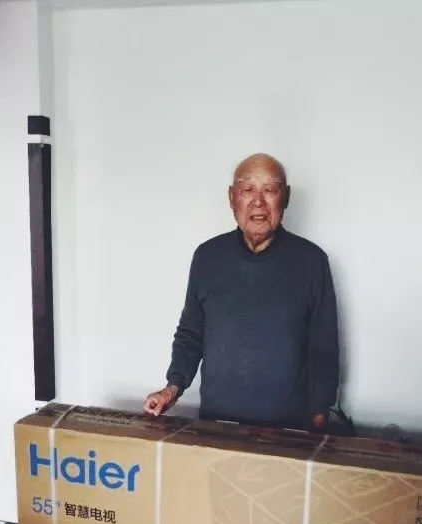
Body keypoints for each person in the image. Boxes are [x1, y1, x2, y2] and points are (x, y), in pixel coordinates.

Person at [144, 153, 339, 431]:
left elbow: (324, 348)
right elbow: (191, 333)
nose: (258, 201)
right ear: (231, 197)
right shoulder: (207, 257)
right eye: (247, 189)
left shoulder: (312, 261)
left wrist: (319, 419)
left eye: (269, 189)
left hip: (288, 429)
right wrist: (172, 388)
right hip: (217, 424)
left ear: (286, 197)